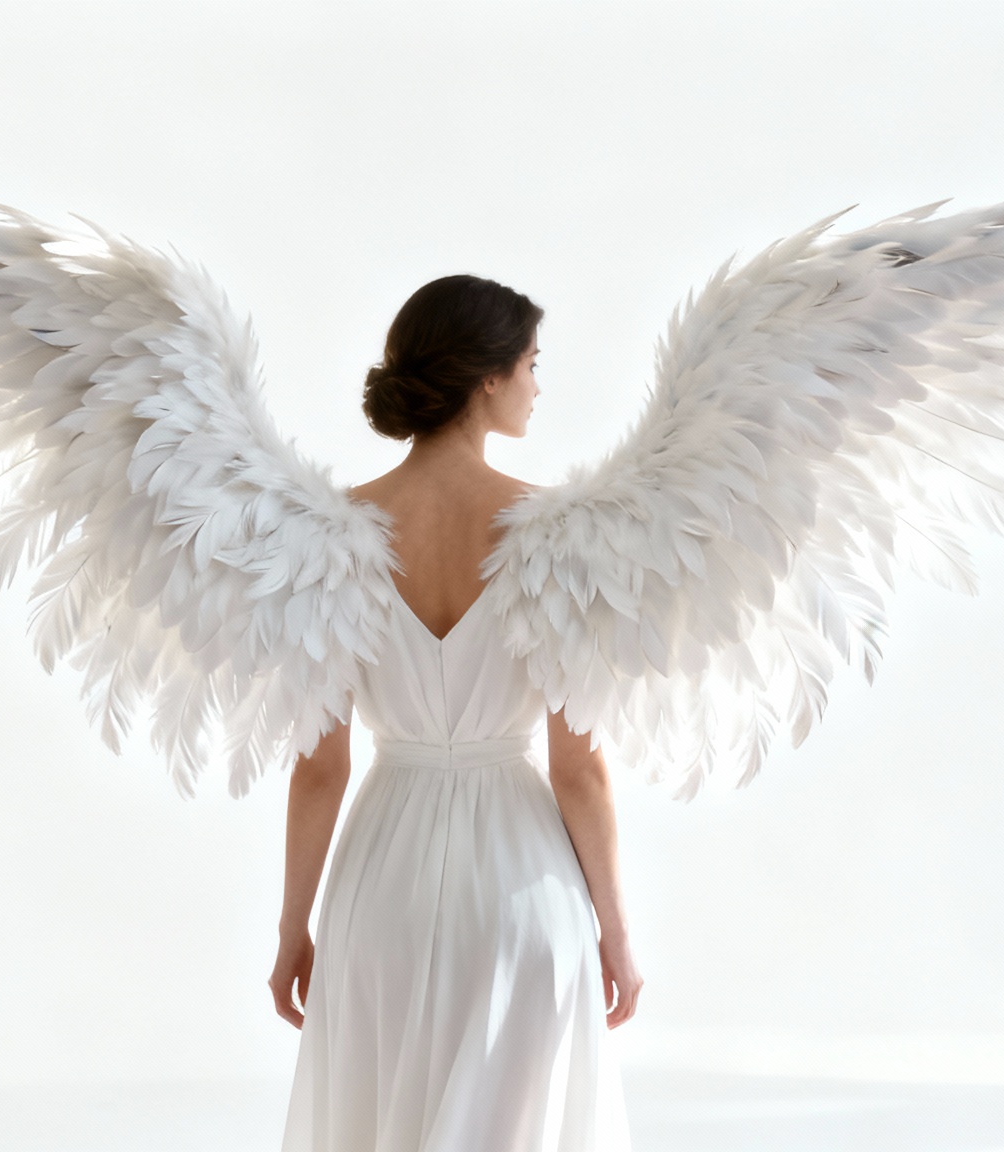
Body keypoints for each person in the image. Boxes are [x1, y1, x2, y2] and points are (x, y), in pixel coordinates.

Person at [270, 276, 641, 1150]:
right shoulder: (553, 530)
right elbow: (578, 769)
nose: (538, 387)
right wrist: (617, 932)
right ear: (487, 379)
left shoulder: (335, 532)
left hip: (381, 883)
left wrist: (294, 929)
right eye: (532, 366)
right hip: (519, 885)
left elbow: (320, 765)